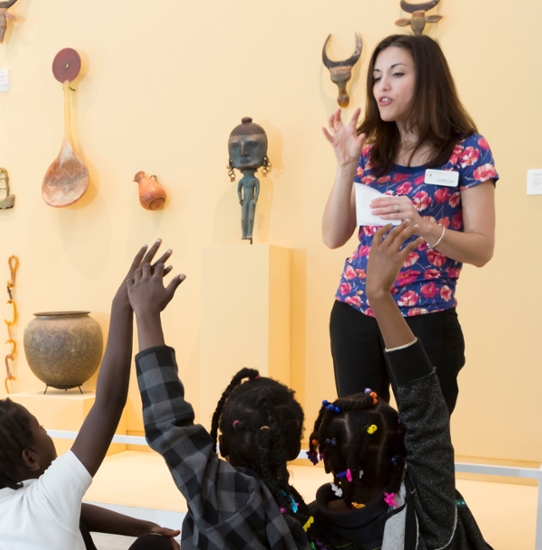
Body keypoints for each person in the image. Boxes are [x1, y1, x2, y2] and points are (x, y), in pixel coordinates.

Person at [0, 241, 181, 550]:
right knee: (157, 547)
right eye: (39, 429)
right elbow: (109, 403)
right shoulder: (51, 495)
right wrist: (121, 305)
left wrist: (143, 525)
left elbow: (74, 510)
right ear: (30, 458)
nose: (46, 432)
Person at [320, 34, 498, 414]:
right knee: (359, 440)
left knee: (424, 442)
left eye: (396, 74)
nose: (382, 86)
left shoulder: (467, 150)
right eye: (376, 76)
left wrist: (424, 227)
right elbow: (333, 236)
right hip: (356, 308)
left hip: (426, 316)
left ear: (428, 80)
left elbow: (483, 249)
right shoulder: (371, 151)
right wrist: (346, 165)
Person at [305, 223, 492, 549]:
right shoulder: (434, 521)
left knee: (360, 421)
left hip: (425, 305)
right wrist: (379, 294)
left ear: (325, 456)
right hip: (363, 305)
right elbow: (426, 422)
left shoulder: (300, 528)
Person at [129, 244, 310, 549]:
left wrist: (146, 315)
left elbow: (168, 421)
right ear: (292, 449)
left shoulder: (224, 493)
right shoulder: (297, 510)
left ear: (222, 443)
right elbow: (170, 425)